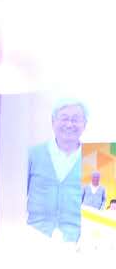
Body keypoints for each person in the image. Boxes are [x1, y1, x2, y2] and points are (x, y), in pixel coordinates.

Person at [26, 99, 87, 242]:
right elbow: (14, 198)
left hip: (78, 241)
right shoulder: (33, 154)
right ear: (53, 122)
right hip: (35, 237)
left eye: (75, 119)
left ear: (85, 124)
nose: (69, 124)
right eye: (64, 118)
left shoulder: (95, 158)